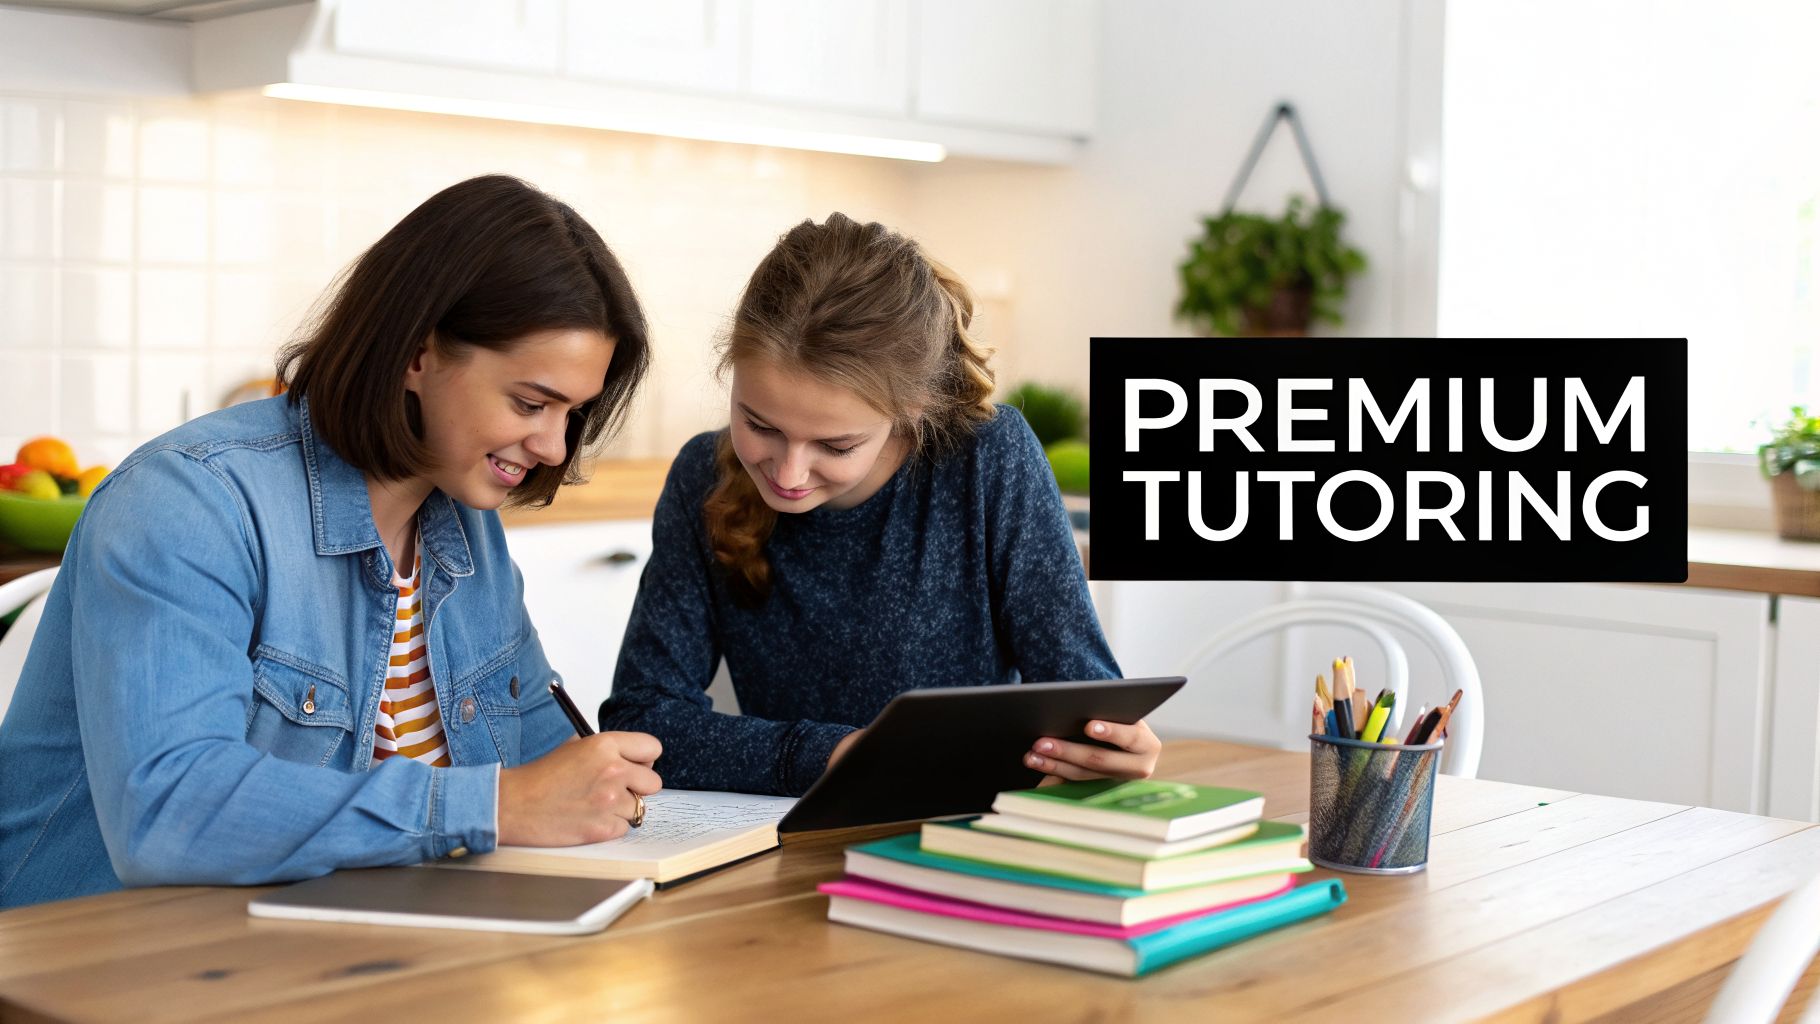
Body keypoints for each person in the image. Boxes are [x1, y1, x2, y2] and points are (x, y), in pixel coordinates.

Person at [0, 176, 662, 909]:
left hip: (333, 944)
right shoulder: (187, 502)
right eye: (531, 403)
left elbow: (544, 767)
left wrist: (599, 787)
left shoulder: (465, 523)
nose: (552, 444)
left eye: (575, 413)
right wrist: (492, 807)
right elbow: (169, 813)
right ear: (418, 353)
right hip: (100, 963)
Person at [599, 213, 1158, 796]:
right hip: (785, 842)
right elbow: (640, 722)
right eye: (759, 424)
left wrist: (1108, 745)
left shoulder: (987, 458)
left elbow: (1080, 697)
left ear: (913, 408)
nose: (788, 473)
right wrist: (833, 755)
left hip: (967, 835)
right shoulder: (702, 477)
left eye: (836, 445)